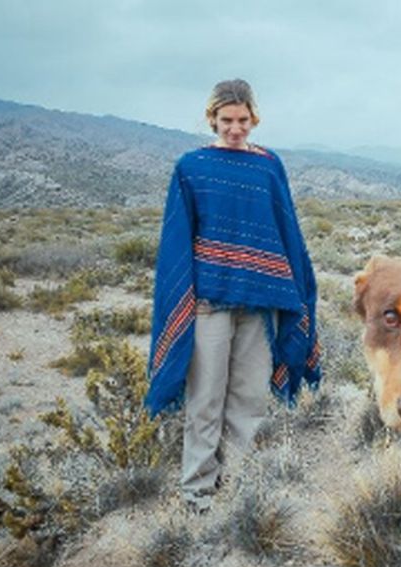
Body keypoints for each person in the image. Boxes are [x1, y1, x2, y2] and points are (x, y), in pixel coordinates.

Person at [145, 79, 321, 513]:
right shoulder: (192, 167)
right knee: (205, 399)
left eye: (243, 120)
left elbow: (286, 231)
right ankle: (197, 493)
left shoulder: (268, 167)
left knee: (249, 400)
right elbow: (178, 237)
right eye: (227, 120)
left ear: (254, 118)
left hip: (259, 302)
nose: (235, 129)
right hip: (210, 301)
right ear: (212, 119)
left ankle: (242, 484)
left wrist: (295, 287)